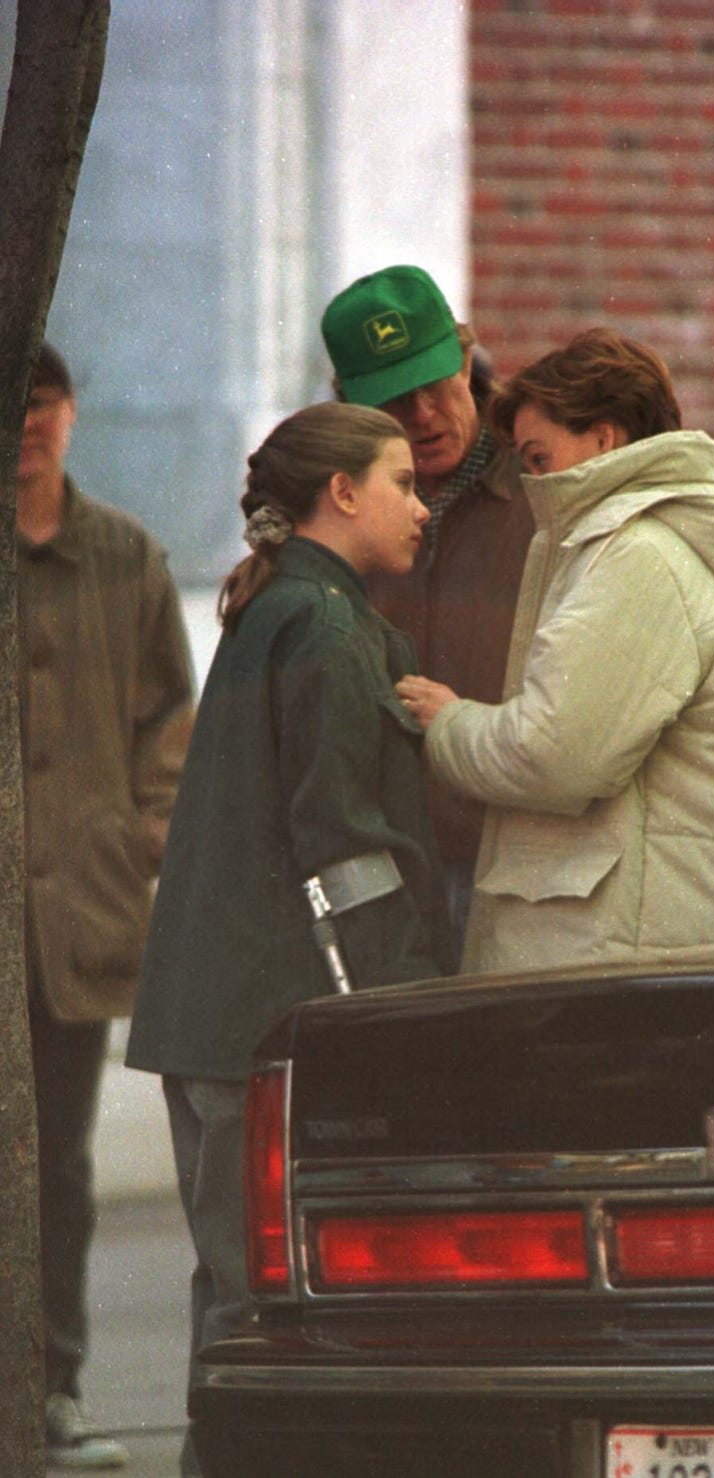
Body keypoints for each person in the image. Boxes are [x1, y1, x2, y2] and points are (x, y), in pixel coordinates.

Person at [125, 400, 453, 1477]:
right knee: (265, 1295)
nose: (420, 503)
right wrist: (404, 1007)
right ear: (341, 493)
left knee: (231, 1283)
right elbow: (344, 848)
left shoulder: (278, 612)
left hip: (216, 1010)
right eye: (400, 480)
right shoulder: (326, 626)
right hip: (271, 1019)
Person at [397, 328, 714, 974]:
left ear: (603, 437)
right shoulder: (679, 544)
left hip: (618, 962)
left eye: (538, 458)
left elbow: (555, 754)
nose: (533, 484)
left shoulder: (638, 557)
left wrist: (447, 724)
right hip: (662, 954)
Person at [17, 342, 194, 1470]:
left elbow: (168, 728)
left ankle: (54, 1389)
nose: (28, 426)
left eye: (43, 405)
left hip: (73, 922)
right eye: (12, 409)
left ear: (74, 414)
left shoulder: (124, 555)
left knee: (59, 1174)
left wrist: (139, 837)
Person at [320, 264, 535, 956]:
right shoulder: (329, 502)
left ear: (466, 359)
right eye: (392, 402)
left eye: (434, 388)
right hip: (385, 860)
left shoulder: (547, 483)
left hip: (516, 858)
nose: (422, 417)